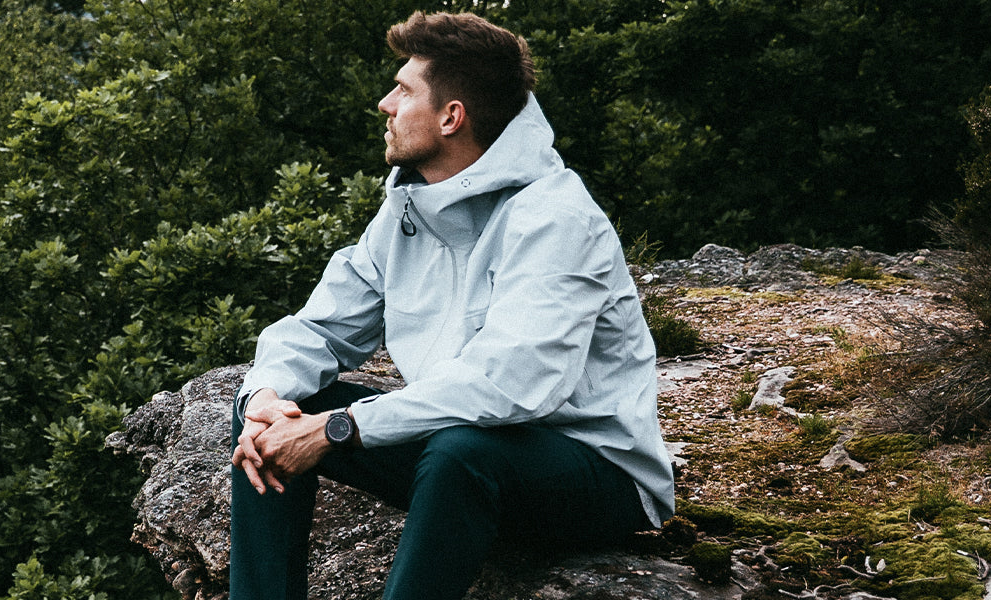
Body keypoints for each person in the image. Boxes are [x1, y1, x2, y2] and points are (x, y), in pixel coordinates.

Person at [227, 11, 676, 600]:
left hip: (594, 474)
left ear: (451, 116)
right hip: (457, 452)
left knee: (461, 453)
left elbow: (512, 385)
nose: (385, 104)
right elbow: (318, 330)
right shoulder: (410, 206)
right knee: (278, 405)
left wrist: (339, 429)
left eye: (404, 90)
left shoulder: (556, 218)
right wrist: (266, 402)